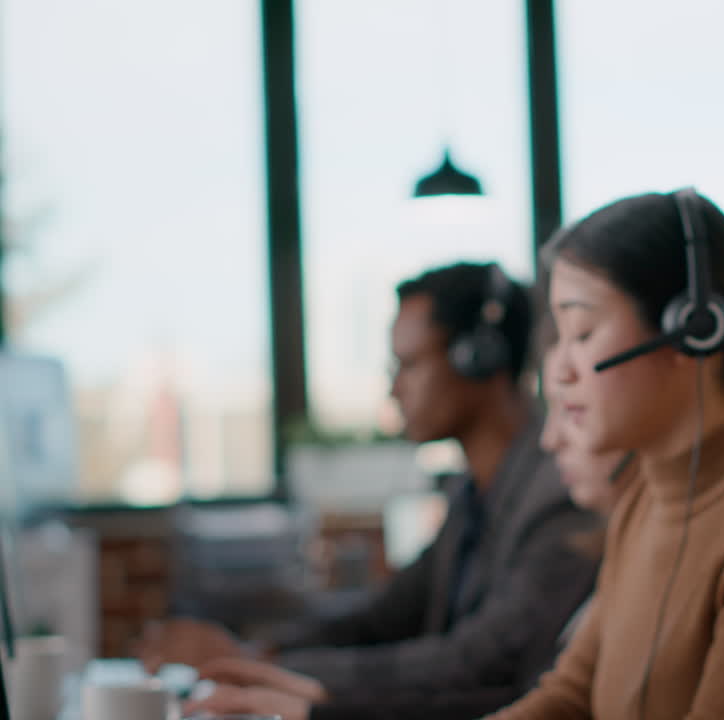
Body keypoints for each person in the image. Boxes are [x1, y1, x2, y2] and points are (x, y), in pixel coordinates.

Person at [140, 262, 600, 719]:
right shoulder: (472, 495)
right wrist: (260, 652)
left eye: (410, 364)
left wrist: (267, 667)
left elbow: (479, 662)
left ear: (480, 357)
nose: (394, 389)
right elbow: (384, 616)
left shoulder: (561, 495)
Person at [491, 191, 724, 719]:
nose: (558, 370)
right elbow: (571, 695)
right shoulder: (643, 497)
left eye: (580, 332)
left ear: (691, 329)